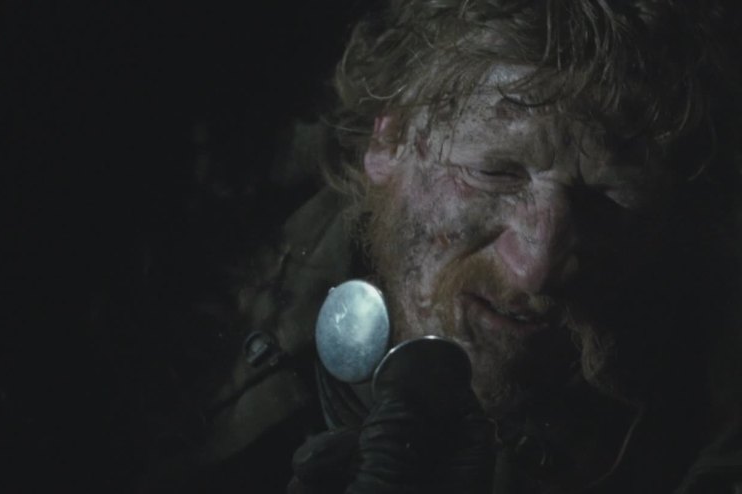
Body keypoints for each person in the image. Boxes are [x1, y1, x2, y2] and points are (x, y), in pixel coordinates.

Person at [204, 1, 742, 492]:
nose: (536, 269)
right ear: (389, 141)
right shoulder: (205, 277)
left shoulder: (708, 414)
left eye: (610, 198)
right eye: (495, 173)